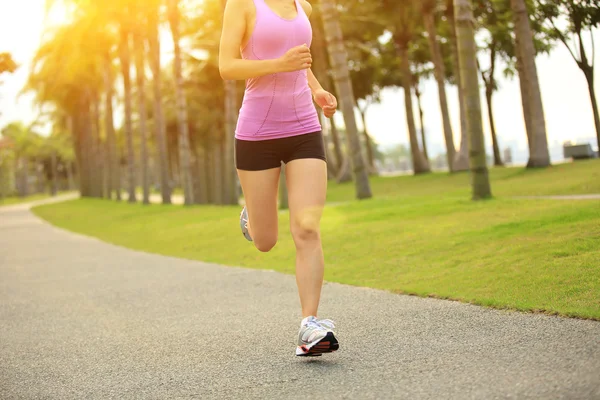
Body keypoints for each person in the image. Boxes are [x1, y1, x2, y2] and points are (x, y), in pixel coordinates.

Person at [219, 0, 339, 357]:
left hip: (304, 127)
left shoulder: (303, 7)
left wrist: (317, 90)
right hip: (257, 132)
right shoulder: (241, 4)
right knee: (266, 240)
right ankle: (253, 220)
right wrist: (278, 65)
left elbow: (300, 64)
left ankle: (310, 325)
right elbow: (226, 66)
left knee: (307, 227)